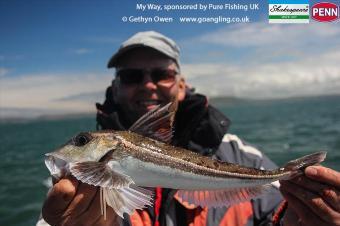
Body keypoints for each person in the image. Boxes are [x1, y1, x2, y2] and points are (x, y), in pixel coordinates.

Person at [40, 31, 340, 226]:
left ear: (181, 85)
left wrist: (301, 218)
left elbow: (273, 210)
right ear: (115, 88)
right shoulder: (75, 182)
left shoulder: (241, 154)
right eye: (132, 76)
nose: (148, 84)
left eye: (161, 74)